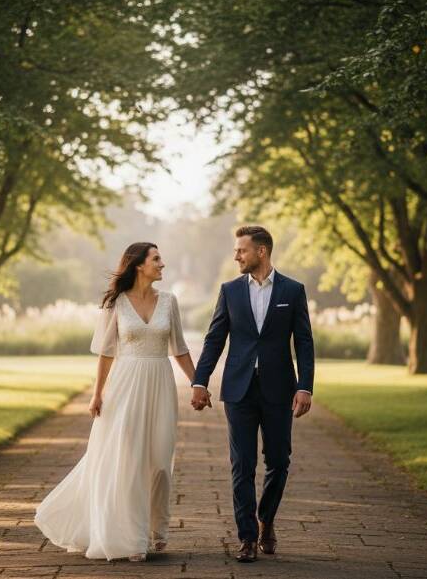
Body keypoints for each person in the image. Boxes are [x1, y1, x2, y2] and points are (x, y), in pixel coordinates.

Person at [34, 242, 195, 562]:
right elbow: (107, 352)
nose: (162, 264)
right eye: (156, 259)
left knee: (160, 462)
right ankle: (133, 538)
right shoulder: (116, 303)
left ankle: (156, 528)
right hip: (125, 387)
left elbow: (179, 348)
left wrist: (198, 383)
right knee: (130, 461)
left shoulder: (169, 301)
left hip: (161, 384)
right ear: (138, 265)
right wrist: (97, 394)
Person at [190, 225, 315, 563]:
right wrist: (200, 381)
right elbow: (215, 339)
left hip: (278, 390)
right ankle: (246, 538)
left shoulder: (293, 289)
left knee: (278, 461)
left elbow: (303, 341)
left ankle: (266, 519)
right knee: (241, 465)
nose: (236, 256)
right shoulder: (229, 291)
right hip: (238, 390)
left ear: (261, 251)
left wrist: (305, 386)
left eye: (241, 250)